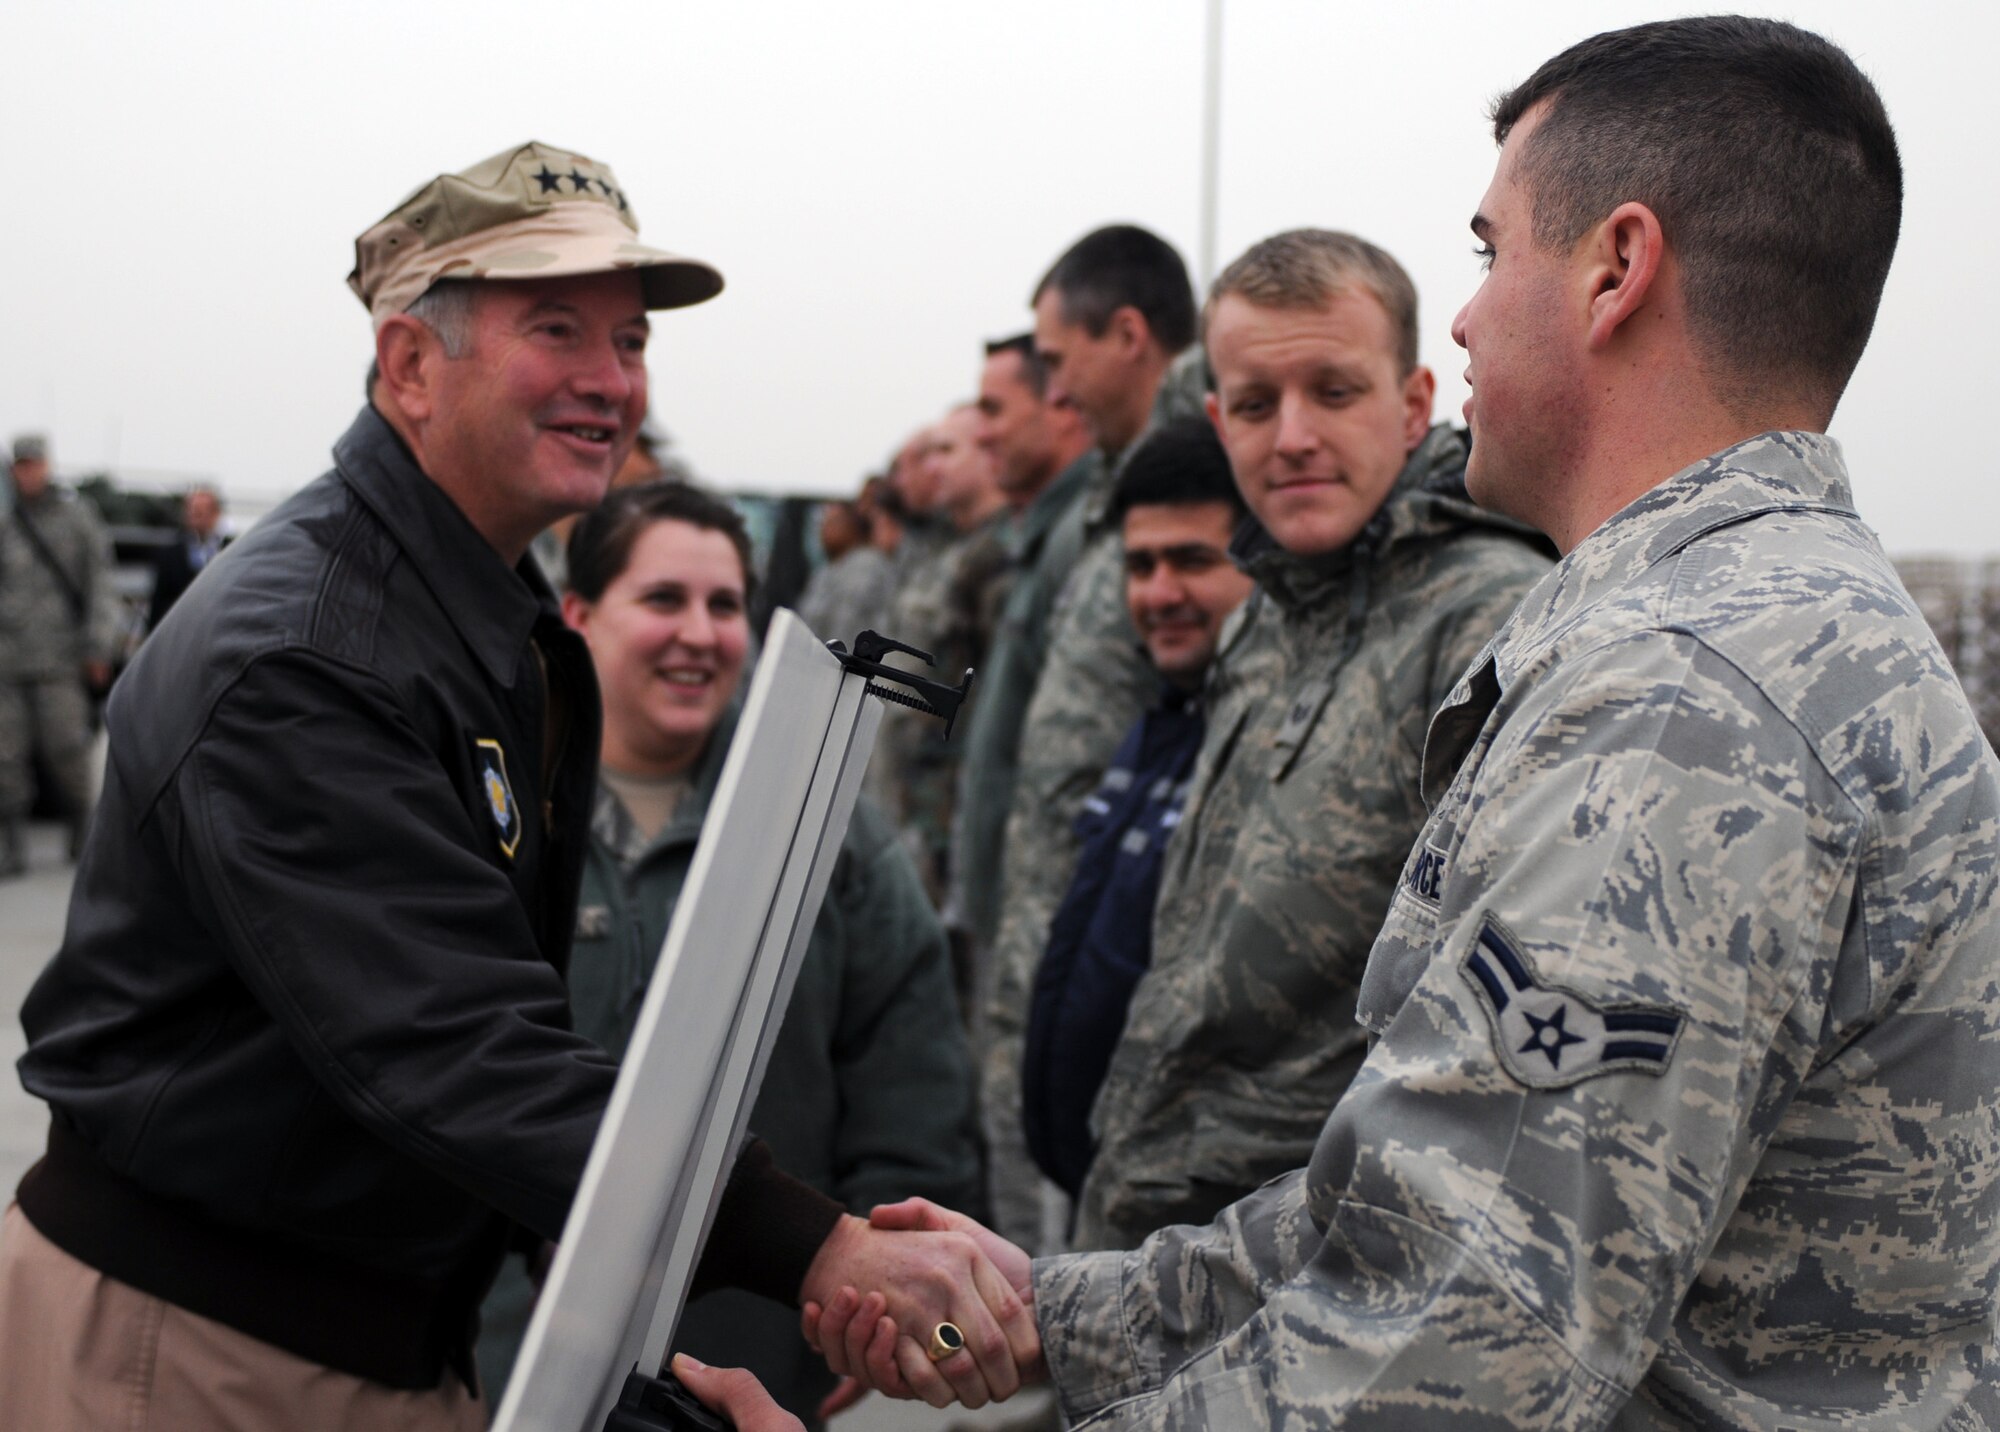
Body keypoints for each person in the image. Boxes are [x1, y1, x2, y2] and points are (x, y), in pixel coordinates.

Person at [794, 15, 2000, 1428]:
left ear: (1617, 268)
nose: (1473, 313)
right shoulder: (1723, 637)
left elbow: (1439, 1357)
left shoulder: (1681, 705)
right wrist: (1063, 1308)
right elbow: (1406, 1207)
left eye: (1492, 253)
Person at [0, 141, 1034, 1429]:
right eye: (557, 329)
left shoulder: (469, 616)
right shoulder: (303, 653)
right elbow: (460, 1049)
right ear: (408, 364)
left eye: (631, 339)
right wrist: (813, 1247)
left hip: (374, 1338)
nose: (612, 382)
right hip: (202, 1352)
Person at [1074, 229, 1554, 1251]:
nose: (1289, 436)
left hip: (1309, 1260)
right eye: (1254, 404)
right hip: (1157, 1220)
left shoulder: (1486, 620)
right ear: (1216, 418)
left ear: (1414, 402)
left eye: (1333, 392)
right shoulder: (1266, 608)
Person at [475, 482, 981, 1427]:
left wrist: (879, 1293)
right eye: (663, 599)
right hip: (498, 1357)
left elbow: (909, 1078)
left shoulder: (828, 835)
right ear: (578, 615)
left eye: (725, 606)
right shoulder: (496, 818)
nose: (700, 634)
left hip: (749, 1365)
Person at [979, 226, 1201, 1251]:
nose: (1054, 394)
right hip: (1050, 909)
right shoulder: (1111, 496)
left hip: (1107, 918)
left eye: (1059, 363)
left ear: (1125, 335)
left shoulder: (1197, 480)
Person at [1019, 417, 1252, 1202]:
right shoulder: (1163, 728)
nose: (1159, 594)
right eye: (1140, 565)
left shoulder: (1266, 744)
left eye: (1192, 561)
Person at [951, 334, 1099, 960]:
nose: (982, 434)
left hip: (1042, 928)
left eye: (994, 410)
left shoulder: (1080, 538)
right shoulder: (1040, 538)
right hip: (1006, 912)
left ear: (1059, 407)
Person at [875, 404, 1010, 912]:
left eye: (949, 451)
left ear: (988, 455)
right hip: (910, 800)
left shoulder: (995, 559)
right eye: (929, 455)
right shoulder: (944, 551)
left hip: (949, 813)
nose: (935, 467)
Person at [0, 433, 120, 875]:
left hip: (60, 660)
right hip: (8, 662)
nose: (27, 472)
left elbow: (100, 586)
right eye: (20, 466)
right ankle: (10, 847)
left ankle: (84, 836)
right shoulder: (6, 521)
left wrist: (97, 646)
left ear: (46, 466)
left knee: (66, 752)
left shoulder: (76, 519)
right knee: (4, 758)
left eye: (33, 464)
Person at [796, 497, 895, 645]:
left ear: (853, 526)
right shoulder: (827, 569)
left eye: (833, 522)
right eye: (823, 522)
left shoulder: (866, 566)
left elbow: (846, 628)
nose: (824, 528)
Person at [147, 483, 227, 630]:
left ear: (215, 515)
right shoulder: (169, 555)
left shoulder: (227, 552)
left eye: (200, 513)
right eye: (191, 512)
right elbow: (159, 602)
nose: (193, 518)